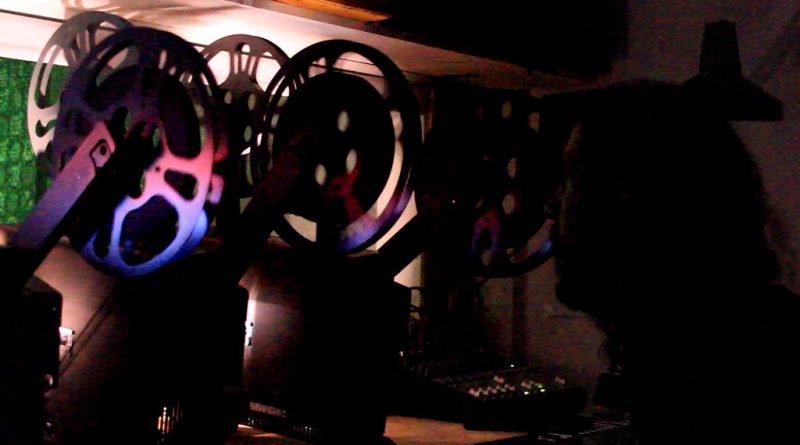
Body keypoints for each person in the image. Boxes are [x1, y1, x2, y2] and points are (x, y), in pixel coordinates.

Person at [550, 81, 800, 445]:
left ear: (629, 196)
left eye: (573, 178)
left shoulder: (723, 367)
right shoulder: (730, 335)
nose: (553, 202)